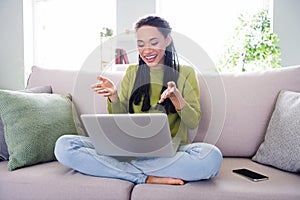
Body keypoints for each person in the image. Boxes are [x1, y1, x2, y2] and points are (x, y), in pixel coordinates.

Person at [54, 15, 222, 185]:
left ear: (167, 39)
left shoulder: (185, 73)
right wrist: (114, 97)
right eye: (141, 45)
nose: (146, 50)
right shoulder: (132, 73)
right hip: (128, 150)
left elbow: (193, 122)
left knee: (211, 157)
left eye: (154, 43)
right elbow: (120, 121)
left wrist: (176, 97)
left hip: (169, 152)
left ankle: (114, 169)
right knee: (64, 145)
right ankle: (143, 177)